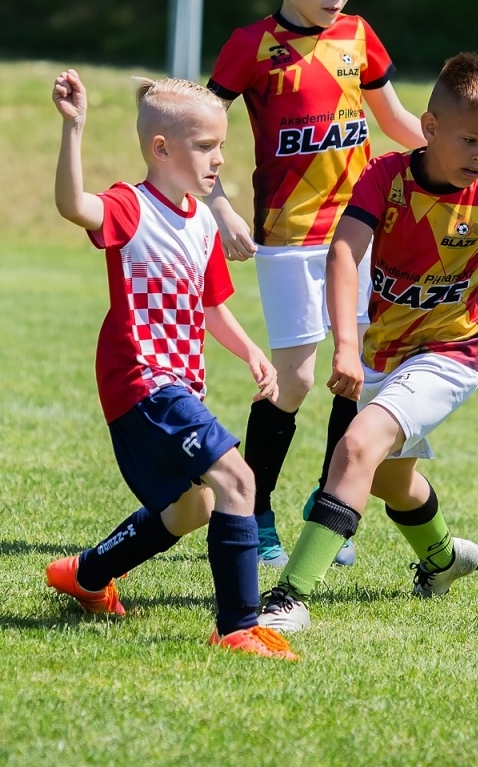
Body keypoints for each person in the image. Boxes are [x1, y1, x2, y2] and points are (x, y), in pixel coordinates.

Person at [255, 53, 478, 633]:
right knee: (390, 480)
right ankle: (443, 560)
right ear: (430, 127)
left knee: (357, 446)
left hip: (450, 355)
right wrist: (344, 346)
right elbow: (343, 253)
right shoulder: (385, 179)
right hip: (382, 352)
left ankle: (289, 597)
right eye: (470, 140)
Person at [43, 68, 297, 659]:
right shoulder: (130, 206)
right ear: (161, 148)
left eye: (221, 147)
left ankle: (86, 574)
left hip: (178, 381)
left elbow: (210, 306)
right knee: (238, 480)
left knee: (195, 506)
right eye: (205, 147)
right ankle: (237, 626)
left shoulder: (203, 219)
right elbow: (71, 205)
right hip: (141, 379)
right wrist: (74, 129)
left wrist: (251, 350)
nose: (217, 161)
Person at [204, 0, 427, 569]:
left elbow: (397, 122)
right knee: (296, 380)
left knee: (352, 377)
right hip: (288, 238)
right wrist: (218, 208)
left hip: (359, 237)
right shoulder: (251, 47)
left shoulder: (361, 38)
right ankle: (257, 506)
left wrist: (458, 162)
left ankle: (329, 512)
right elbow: (199, 135)